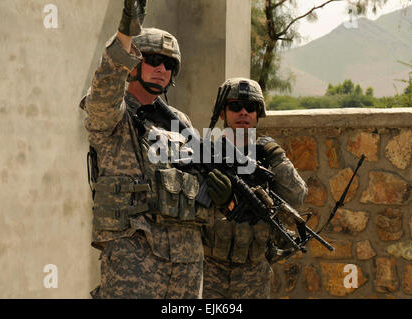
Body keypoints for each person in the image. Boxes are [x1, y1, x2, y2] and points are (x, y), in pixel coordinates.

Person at [79, 0, 220, 299]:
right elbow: (105, 89)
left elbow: (196, 179)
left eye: (169, 64)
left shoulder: (179, 122)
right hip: (135, 258)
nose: (161, 69)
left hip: (186, 259)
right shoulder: (113, 116)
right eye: (153, 60)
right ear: (133, 64)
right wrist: (124, 38)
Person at [201, 78, 308, 299]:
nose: (243, 112)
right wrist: (220, 203)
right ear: (222, 113)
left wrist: (276, 157)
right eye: (235, 106)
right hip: (210, 268)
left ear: (258, 114)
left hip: (253, 271)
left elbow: (297, 196)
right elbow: (187, 206)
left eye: (250, 107)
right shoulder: (207, 155)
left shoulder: (268, 157)